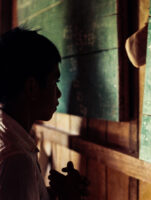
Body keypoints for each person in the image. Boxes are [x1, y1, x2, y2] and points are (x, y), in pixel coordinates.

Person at [0, 27, 87, 200]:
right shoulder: (17, 160)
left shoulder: (7, 132)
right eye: (55, 81)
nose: (59, 93)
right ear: (32, 87)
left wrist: (52, 193)